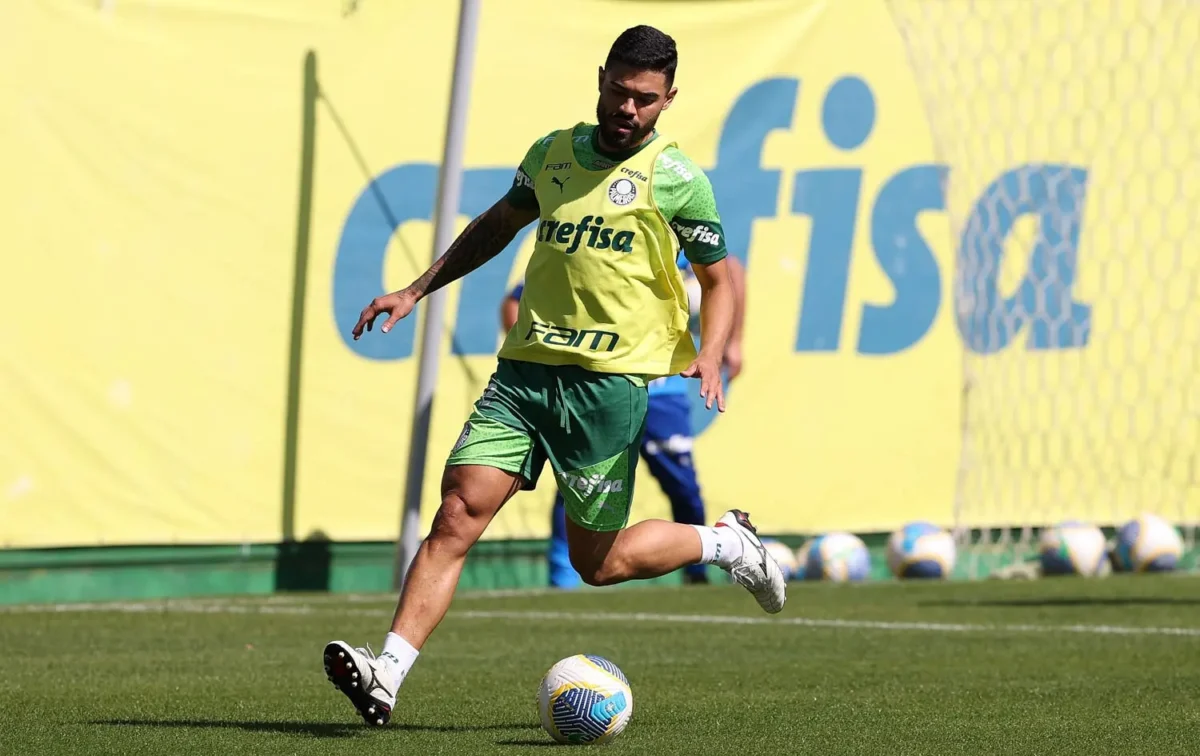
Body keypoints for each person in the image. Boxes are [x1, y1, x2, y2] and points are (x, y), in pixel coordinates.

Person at [324, 25, 786, 727]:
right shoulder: (552, 153)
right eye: (619, 91)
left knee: (597, 563)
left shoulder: (676, 177)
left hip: (606, 390)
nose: (628, 109)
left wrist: (714, 352)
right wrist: (416, 290)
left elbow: (721, 280)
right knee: (457, 513)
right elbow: (497, 225)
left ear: (668, 101)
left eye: (646, 100)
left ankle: (726, 543)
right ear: (601, 78)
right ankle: (386, 675)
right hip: (526, 375)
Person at [500, 251, 746, 588]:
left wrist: (734, 343)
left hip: (660, 387)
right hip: (596, 388)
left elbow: (729, 270)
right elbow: (515, 300)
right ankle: (562, 581)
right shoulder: (590, 245)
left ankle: (699, 572)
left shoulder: (674, 241)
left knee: (683, 485)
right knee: (577, 484)